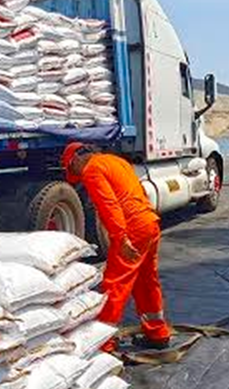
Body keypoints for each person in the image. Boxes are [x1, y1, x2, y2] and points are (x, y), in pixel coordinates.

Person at [61, 143, 171, 351]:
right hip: (149, 222)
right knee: (146, 281)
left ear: (76, 159)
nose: (76, 174)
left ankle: (105, 342)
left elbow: (109, 205)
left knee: (115, 283)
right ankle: (158, 333)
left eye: (71, 168)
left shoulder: (92, 170)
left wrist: (121, 239)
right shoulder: (117, 162)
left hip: (133, 229)